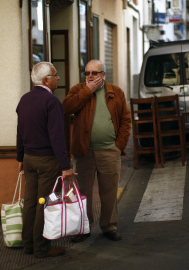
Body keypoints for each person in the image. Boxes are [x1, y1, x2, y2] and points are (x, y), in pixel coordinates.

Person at [63, 60, 131, 242]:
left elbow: (126, 119)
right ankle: (84, 228)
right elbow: (67, 108)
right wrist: (88, 91)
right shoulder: (78, 90)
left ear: (103, 74)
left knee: (108, 191)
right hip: (84, 152)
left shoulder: (115, 92)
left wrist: (119, 146)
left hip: (109, 151)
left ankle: (109, 226)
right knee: (83, 192)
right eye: (87, 73)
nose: (90, 76)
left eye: (94, 73)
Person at [16, 62, 77, 258]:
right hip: (47, 161)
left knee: (31, 203)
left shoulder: (24, 99)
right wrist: (66, 166)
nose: (58, 78)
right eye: (55, 75)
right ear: (46, 80)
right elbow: (57, 137)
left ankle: (28, 245)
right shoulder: (52, 102)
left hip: (29, 159)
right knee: (44, 203)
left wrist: (20, 157)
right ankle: (42, 248)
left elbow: (20, 131)